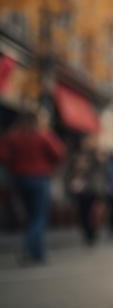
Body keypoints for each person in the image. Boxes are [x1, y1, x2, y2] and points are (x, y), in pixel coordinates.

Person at [0, 109, 66, 264]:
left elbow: (3, 156)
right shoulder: (42, 135)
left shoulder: (13, 135)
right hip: (39, 178)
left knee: (30, 216)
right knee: (38, 216)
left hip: (19, 178)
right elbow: (59, 152)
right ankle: (34, 252)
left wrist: (14, 165)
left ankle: (33, 251)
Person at [65, 139, 104, 246]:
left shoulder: (96, 158)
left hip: (92, 189)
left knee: (93, 212)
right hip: (80, 188)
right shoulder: (77, 157)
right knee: (83, 213)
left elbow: (99, 172)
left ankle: (92, 233)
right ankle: (88, 233)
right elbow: (71, 172)